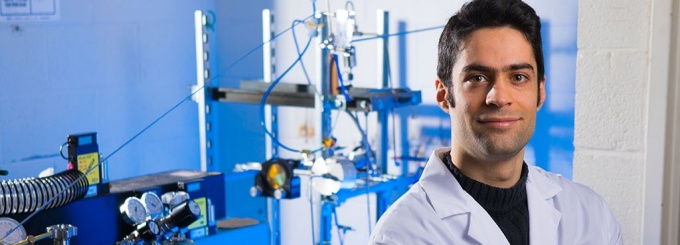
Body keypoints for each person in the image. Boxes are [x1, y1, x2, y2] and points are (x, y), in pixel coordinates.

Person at [369, 0, 623, 244]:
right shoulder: (402, 235)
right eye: (478, 78)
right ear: (443, 94)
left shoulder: (590, 215)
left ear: (540, 91)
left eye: (519, 77)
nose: (499, 98)